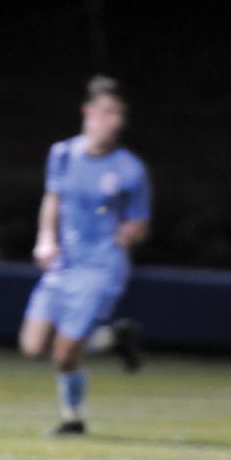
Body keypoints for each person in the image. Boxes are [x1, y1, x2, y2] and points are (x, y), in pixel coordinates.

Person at [19, 76, 151, 436]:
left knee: (64, 353)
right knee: (33, 346)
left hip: (102, 267)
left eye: (119, 114)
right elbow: (52, 199)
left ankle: (72, 418)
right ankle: (112, 338)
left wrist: (131, 232)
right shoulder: (62, 154)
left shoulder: (130, 169)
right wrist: (46, 239)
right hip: (64, 264)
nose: (114, 121)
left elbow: (140, 220)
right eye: (107, 112)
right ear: (89, 112)